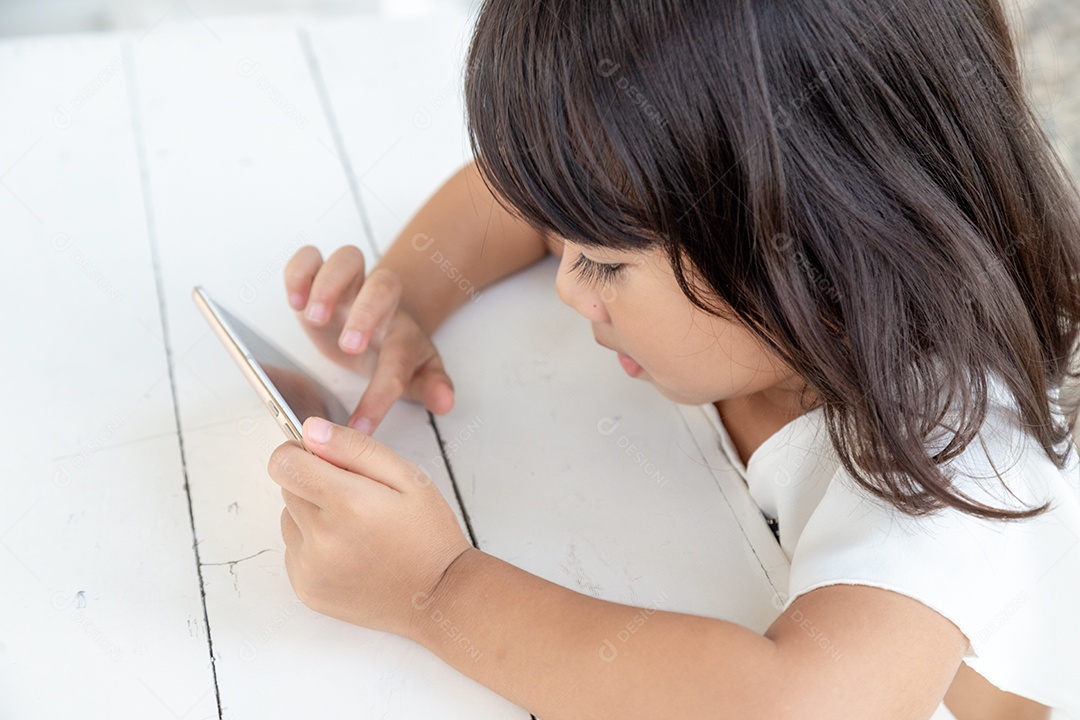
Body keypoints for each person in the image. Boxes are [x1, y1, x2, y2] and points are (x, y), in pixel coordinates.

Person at [269, 0, 1080, 717]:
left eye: (604, 266)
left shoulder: (961, 448)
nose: (567, 286)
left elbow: (797, 706)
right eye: (571, 242)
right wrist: (408, 296)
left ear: (811, 256)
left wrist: (435, 590)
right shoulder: (706, 214)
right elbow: (513, 197)